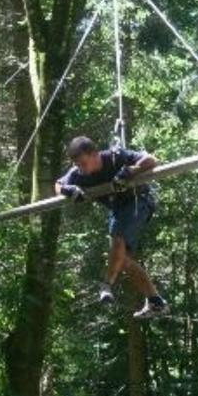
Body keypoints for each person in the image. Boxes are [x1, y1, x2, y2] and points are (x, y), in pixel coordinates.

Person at [55, 136, 169, 319]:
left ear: (95, 154)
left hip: (139, 200)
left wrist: (130, 172)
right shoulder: (79, 172)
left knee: (118, 239)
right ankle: (156, 301)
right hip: (117, 210)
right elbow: (58, 185)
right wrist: (69, 191)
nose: (81, 169)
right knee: (123, 261)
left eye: (84, 163)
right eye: (78, 165)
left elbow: (152, 160)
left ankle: (106, 284)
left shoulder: (115, 157)